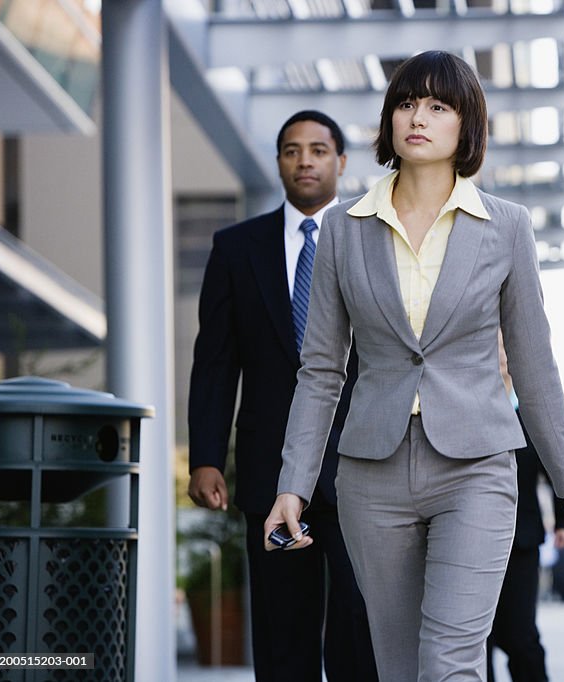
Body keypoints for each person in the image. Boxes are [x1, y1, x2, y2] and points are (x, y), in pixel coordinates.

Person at [264, 51, 564, 682]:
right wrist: (294, 486)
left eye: (437, 106)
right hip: (372, 473)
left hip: (476, 468)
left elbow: (534, 367)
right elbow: (320, 371)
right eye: (406, 103)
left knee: (450, 664)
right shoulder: (343, 228)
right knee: (397, 667)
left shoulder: (507, 226)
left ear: (465, 125)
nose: (417, 117)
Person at [187, 110, 377, 681]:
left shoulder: (376, 240)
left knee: (360, 623)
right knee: (282, 631)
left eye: (318, 150)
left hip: (362, 464)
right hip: (272, 465)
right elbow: (215, 362)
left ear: (341, 162)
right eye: (292, 151)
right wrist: (205, 457)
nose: (305, 161)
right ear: (278, 163)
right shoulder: (236, 248)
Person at [486, 338, 564, 682]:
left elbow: (556, 464)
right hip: (467, 537)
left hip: (521, 539)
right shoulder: (469, 405)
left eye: (506, 347)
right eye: (493, 346)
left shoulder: (533, 409)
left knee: (521, 636)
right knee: (478, 639)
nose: (501, 355)